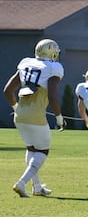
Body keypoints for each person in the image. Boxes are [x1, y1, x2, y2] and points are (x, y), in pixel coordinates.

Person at [6, 38, 66, 197]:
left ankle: (37, 187)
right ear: (52, 53)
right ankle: (21, 183)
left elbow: (7, 90)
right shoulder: (54, 68)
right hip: (36, 115)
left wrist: (15, 107)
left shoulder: (26, 63)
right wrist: (59, 118)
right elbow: (52, 96)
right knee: (42, 151)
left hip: (20, 115)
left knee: (32, 149)